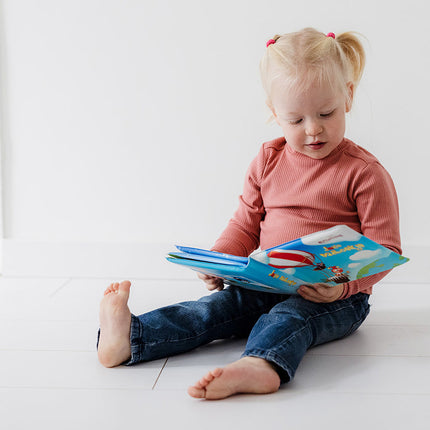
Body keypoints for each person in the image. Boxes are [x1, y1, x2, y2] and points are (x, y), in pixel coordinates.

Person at [97, 28, 402, 400]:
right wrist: (219, 260)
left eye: (326, 113)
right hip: (265, 282)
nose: (313, 129)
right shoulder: (268, 159)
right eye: (295, 120)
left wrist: (345, 287)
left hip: (333, 297)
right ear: (275, 114)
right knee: (211, 310)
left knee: (291, 318)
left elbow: (385, 248)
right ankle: (130, 338)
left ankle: (260, 365)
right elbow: (245, 222)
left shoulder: (365, 172)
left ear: (348, 97)